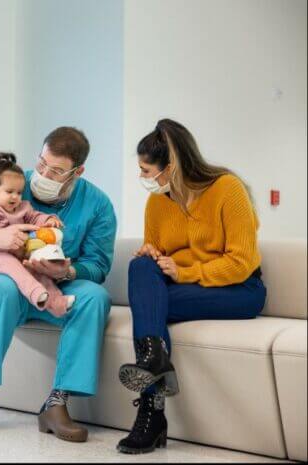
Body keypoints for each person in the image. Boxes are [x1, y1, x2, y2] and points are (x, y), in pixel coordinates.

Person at [0, 126, 117, 442]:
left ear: (77, 172)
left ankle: (56, 403)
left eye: (55, 170)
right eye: (41, 163)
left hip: (57, 287)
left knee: (94, 297)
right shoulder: (11, 182)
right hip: (8, 281)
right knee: (1, 287)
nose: (43, 173)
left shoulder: (98, 205)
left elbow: (99, 266)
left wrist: (66, 272)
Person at [116, 119, 267, 454]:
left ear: (170, 167)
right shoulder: (157, 202)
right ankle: (155, 363)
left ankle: (150, 413)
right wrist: (152, 254)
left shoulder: (228, 189)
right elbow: (157, 255)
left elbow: (241, 263)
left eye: (146, 171)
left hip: (239, 291)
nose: (143, 178)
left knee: (150, 305)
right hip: (188, 288)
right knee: (140, 265)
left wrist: (185, 272)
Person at [0, 152, 74, 316]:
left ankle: (57, 303)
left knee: (38, 271)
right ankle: (36, 294)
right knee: (13, 267)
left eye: (19, 192)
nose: (15, 196)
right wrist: (4, 239)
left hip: (19, 255)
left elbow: (35, 217)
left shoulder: (24, 208)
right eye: (9, 191)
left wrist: (48, 220)